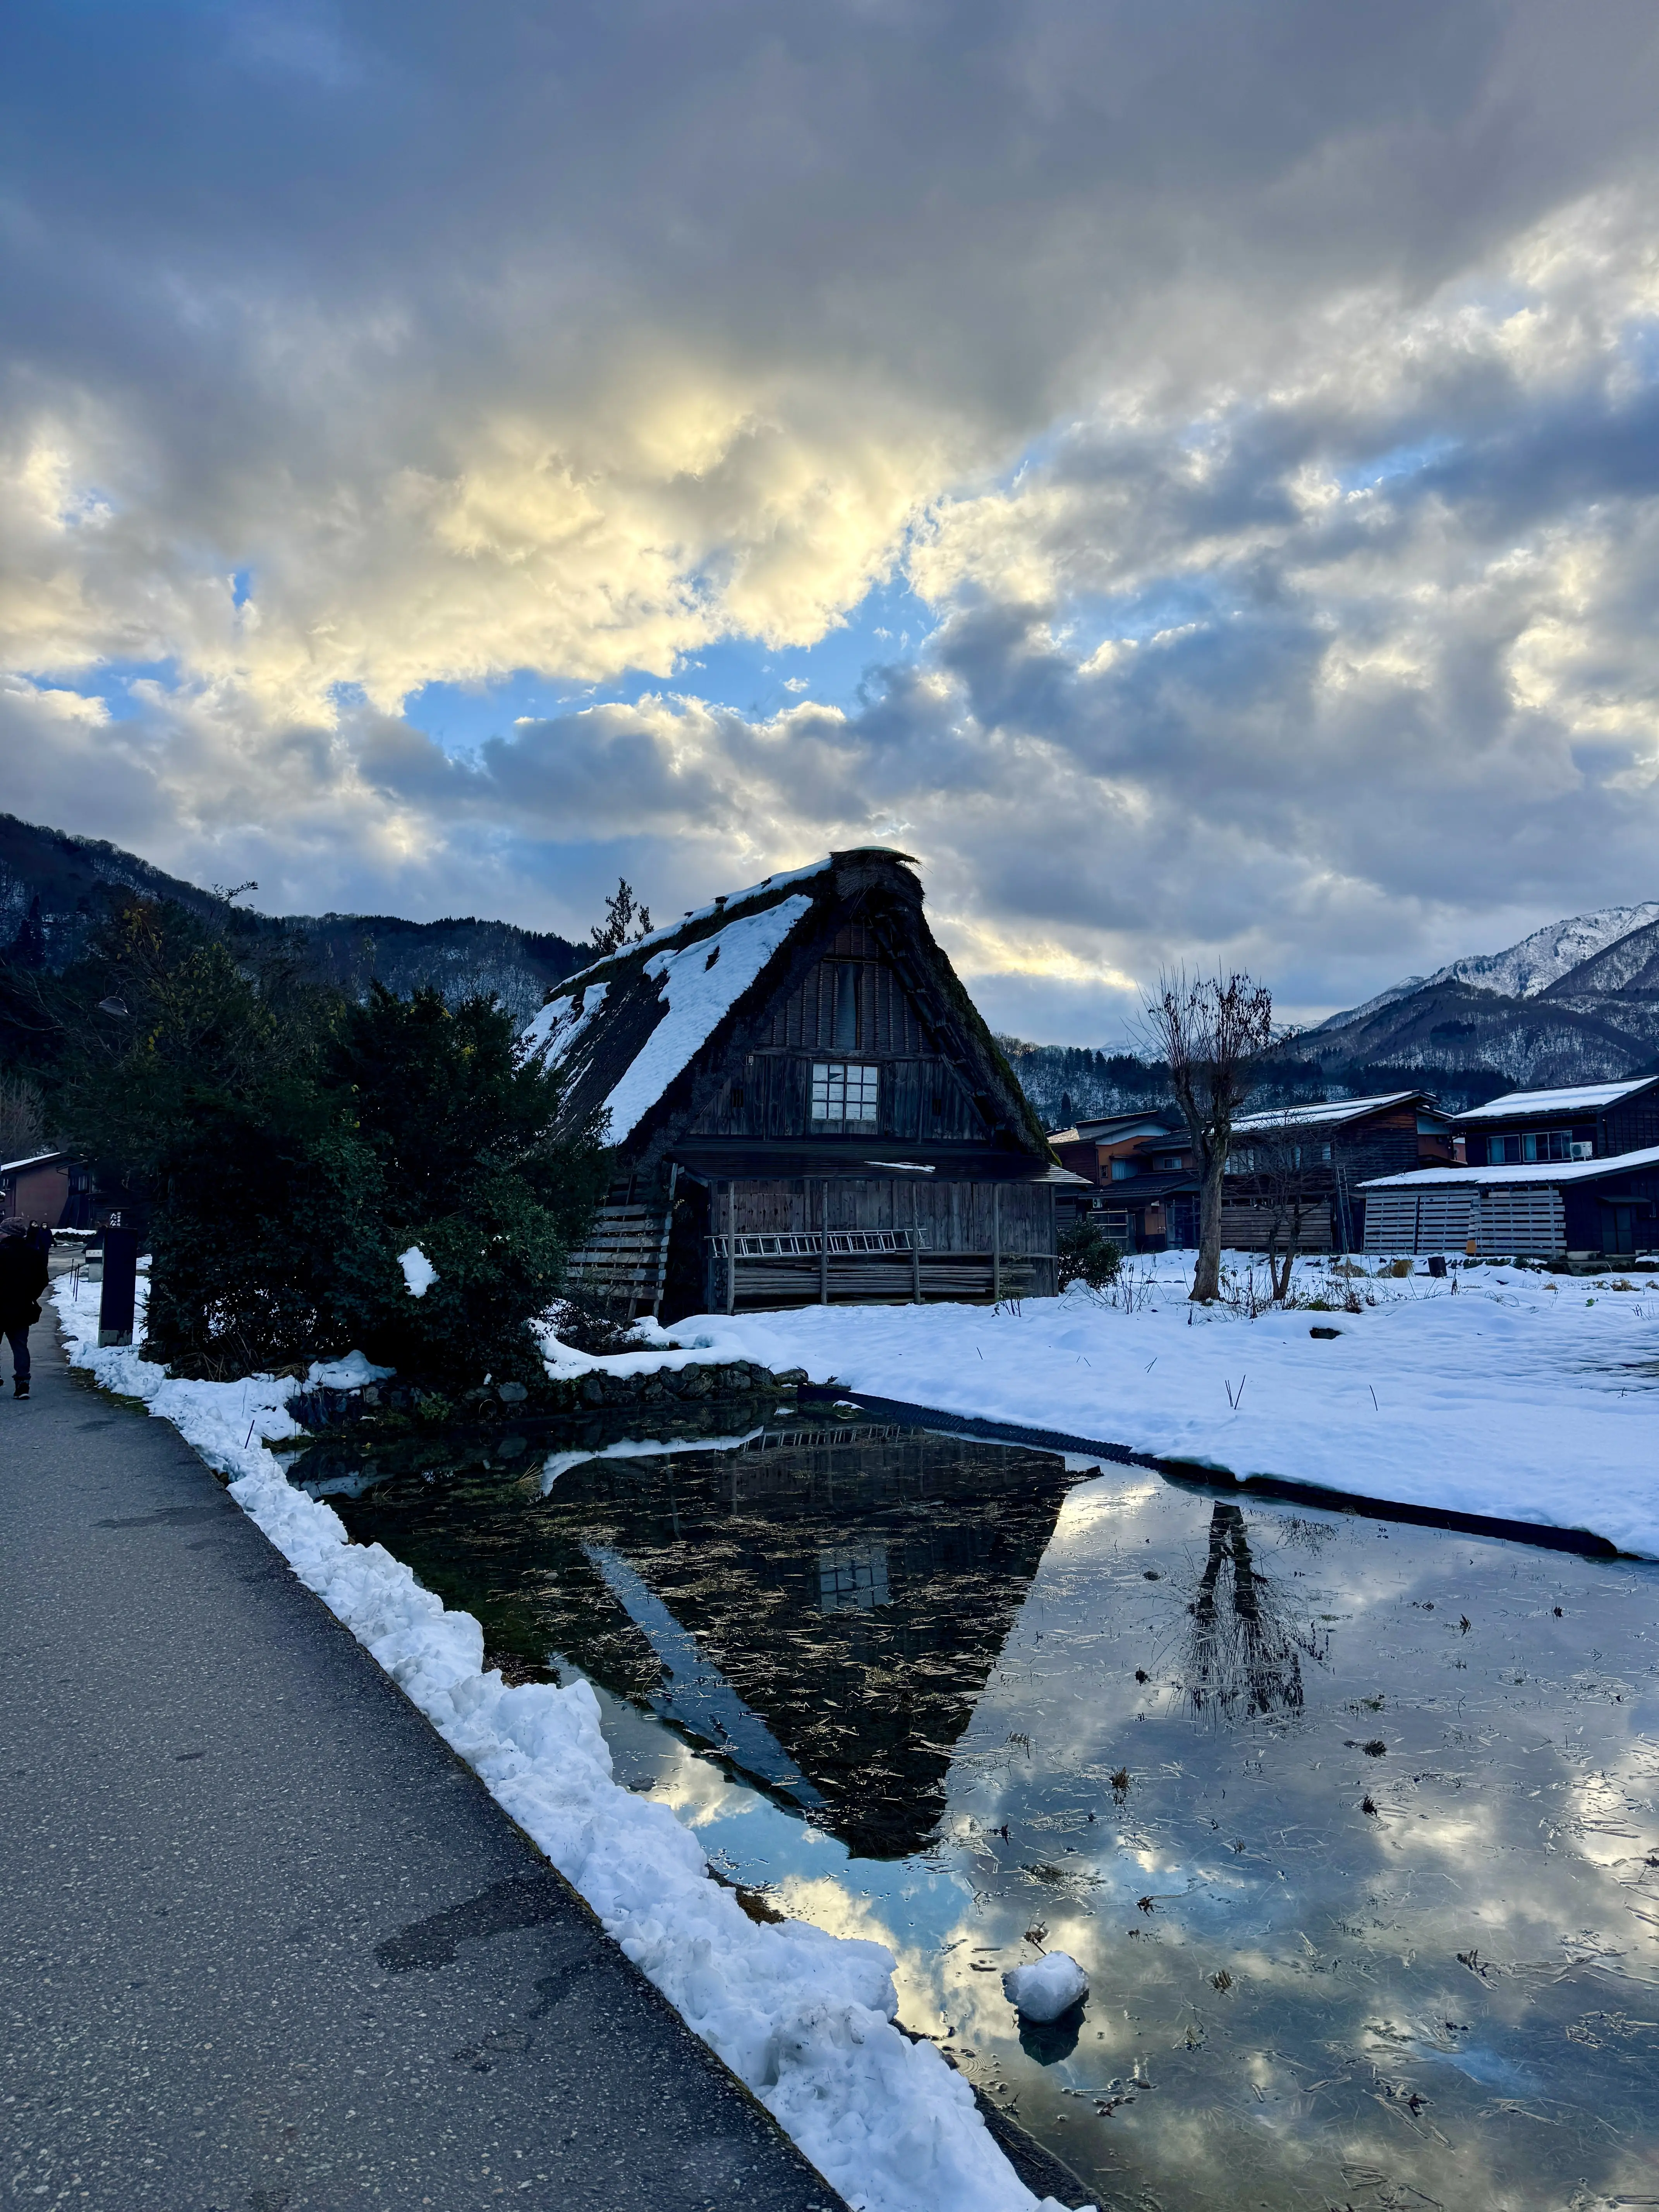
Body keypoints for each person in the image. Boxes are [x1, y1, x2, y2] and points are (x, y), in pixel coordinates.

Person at [0, 1216, 48, 1400]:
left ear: (8, 1233)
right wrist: (30, 1297)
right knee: (20, 1346)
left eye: (2, 1231)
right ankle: (23, 1384)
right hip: (21, 1308)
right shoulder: (34, 1254)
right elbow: (43, 1280)